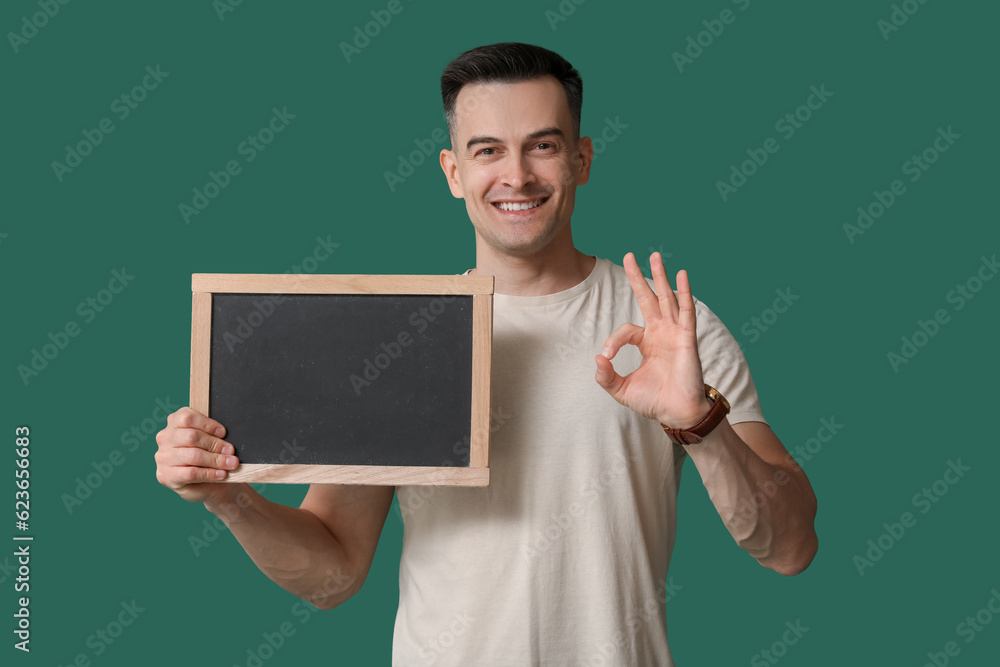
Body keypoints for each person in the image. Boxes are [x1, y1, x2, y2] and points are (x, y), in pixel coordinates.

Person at [155, 42, 818, 666]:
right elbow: (335, 574)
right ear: (453, 171)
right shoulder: (400, 337)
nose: (517, 175)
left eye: (543, 146)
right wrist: (227, 499)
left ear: (582, 159)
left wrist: (700, 423)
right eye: (488, 149)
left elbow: (790, 547)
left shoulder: (672, 329)